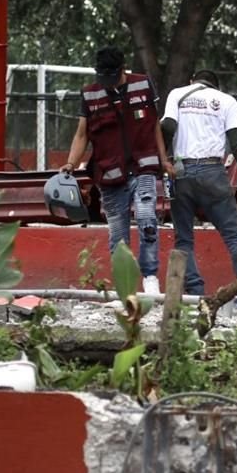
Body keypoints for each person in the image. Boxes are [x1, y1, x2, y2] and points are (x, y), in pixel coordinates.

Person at [160, 69, 237, 316]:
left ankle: (195, 295)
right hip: (213, 172)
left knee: (184, 239)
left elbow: (167, 126)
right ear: (216, 86)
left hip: (181, 172)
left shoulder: (177, 94)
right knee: (233, 236)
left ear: (192, 81)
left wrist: (162, 160)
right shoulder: (226, 101)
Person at [61, 45, 171, 295]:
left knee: (146, 217)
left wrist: (164, 160)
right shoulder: (90, 95)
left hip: (144, 167)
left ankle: (150, 277)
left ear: (122, 70)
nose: (107, 83)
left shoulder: (142, 85)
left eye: (111, 77)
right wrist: (70, 162)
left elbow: (154, 126)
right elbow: (82, 134)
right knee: (118, 236)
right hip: (109, 174)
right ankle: (125, 288)